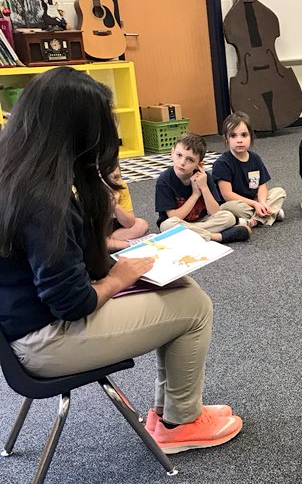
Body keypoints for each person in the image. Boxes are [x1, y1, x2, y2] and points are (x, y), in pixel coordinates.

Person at [0, 66, 242, 454]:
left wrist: (107, 247)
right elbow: (71, 303)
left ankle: (172, 411)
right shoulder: (46, 201)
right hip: (45, 340)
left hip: (21, 324)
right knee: (194, 305)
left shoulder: (16, 172)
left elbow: (44, 259)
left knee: (178, 286)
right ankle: (179, 425)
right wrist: (119, 276)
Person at [155, 133, 250, 243]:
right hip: (178, 222)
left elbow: (214, 212)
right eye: (179, 155)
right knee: (167, 226)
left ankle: (190, 234)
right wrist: (195, 194)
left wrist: (204, 187)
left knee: (228, 217)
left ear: (199, 165)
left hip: (204, 221)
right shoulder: (164, 180)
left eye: (190, 160)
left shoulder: (205, 177)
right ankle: (217, 237)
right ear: (172, 153)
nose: (182, 162)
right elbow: (174, 216)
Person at [212, 111, 287, 227]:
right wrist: (254, 204)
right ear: (226, 139)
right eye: (233, 136)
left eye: (244, 135)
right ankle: (270, 213)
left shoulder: (255, 158)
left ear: (250, 136)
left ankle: (254, 220)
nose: (239, 140)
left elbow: (262, 185)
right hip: (235, 203)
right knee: (231, 208)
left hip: (254, 200)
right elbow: (227, 195)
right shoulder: (222, 163)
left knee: (279, 192)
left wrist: (261, 202)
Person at [106, 161, 149, 251]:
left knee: (141, 224)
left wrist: (115, 205)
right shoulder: (88, 193)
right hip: (90, 228)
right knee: (91, 241)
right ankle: (126, 244)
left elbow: (129, 223)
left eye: (117, 177)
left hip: (107, 226)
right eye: (108, 180)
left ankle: (108, 244)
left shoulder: (121, 186)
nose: (114, 184)